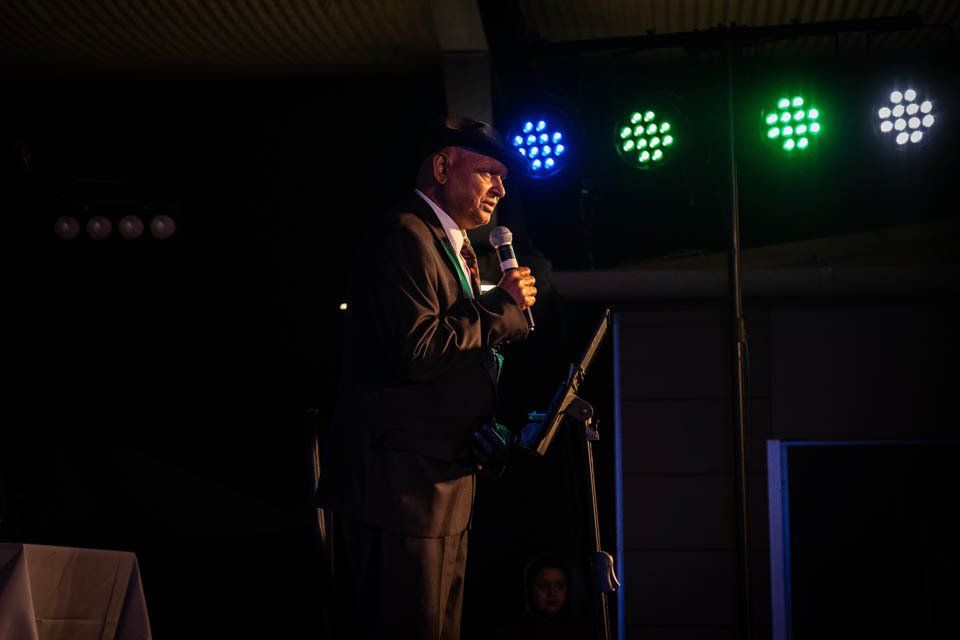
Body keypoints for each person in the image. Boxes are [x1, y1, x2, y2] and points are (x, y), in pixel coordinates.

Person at [315, 116, 537, 639]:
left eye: (504, 178)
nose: (501, 190)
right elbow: (417, 349)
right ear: (442, 167)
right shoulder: (405, 235)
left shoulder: (451, 243)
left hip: (443, 483)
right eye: (489, 173)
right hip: (401, 494)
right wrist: (500, 308)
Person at [498, 555, 592, 640]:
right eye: (543, 586)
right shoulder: (513, 632)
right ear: (529, 589)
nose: (552, 593)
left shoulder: (580, 631)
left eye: (559, 586)